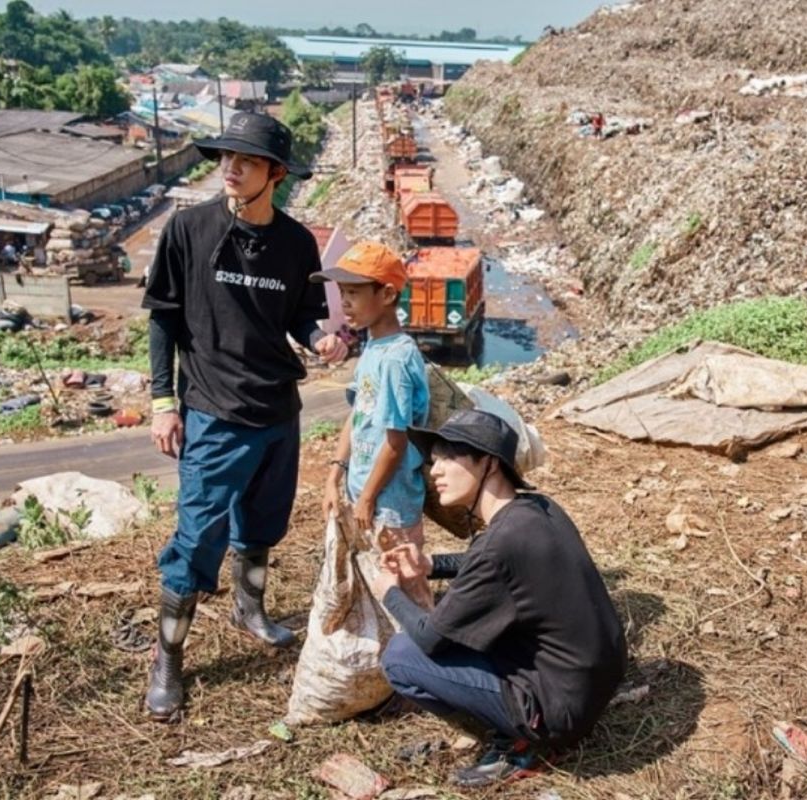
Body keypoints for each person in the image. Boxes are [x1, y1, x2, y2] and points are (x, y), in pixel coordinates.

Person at [141, 111, 349, 722]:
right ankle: (169, 659)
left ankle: (249, 608)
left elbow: (303, 315)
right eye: (225, 158)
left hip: (277, 409)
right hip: (211, 411)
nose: (230, 168)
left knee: (262, 522)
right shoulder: (188, 229)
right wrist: (161, 403)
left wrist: (321, 340)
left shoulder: (296, 242)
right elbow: (162, 318)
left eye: (247, 160)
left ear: (276, 174)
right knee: (196, 537)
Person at [375, 410, 628, 788]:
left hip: (559, 710)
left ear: (489, 463)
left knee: (400, 657)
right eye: (434, 459)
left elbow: (429, 638)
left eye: (449, 457)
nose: (435, 470)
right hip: (590, 684)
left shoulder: (499, 544)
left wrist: (389, 594)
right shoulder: (536, 510)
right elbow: (488, 563)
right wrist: (430, 564)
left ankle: (519, 742)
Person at [314, 241, 430, 547]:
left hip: (391, 507)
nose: (345, 303)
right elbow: (357, 416)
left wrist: (367, 497)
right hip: (367, 495)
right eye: (342, 293)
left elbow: (396, 441)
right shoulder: (373, 348)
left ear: (388, 294)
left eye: (354, 292)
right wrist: (334, 478)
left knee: (401, 587)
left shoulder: (395, 358)